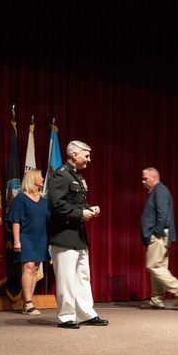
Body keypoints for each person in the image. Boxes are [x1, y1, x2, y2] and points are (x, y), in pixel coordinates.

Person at [46, 140, 108, 329]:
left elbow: (75, 202)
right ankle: (66, 317)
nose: (89, 159)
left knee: (83, 276)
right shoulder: (61, 175)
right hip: (64, 234)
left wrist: (89, 208)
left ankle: (86, 314)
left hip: (78, 235)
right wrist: (81, 213)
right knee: (66, 278)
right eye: (86, 155)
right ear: (74, 154)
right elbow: (56, 204)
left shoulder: (76, 175)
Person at [140, 167, 178, 309]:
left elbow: (162, 213)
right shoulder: (158, 191)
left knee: (153, 266)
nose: (143, 181)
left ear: (154, 177)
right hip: (162, 235)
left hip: (159, 236)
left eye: (145, 178)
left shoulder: (160, 190)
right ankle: (157, 300)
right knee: (159, 267)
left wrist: (157, 232)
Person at [7, 168, 50, 316]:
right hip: (25, 237)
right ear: (32, 179)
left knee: (35, 269)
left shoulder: (44, 200)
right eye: (40, 177)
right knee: (28, 267)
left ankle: (27, 303)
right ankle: (29, 302)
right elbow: (15, 221)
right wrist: (17, 241)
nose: (43, 179)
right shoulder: (20, 198)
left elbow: (48, 221)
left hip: (41, 237)